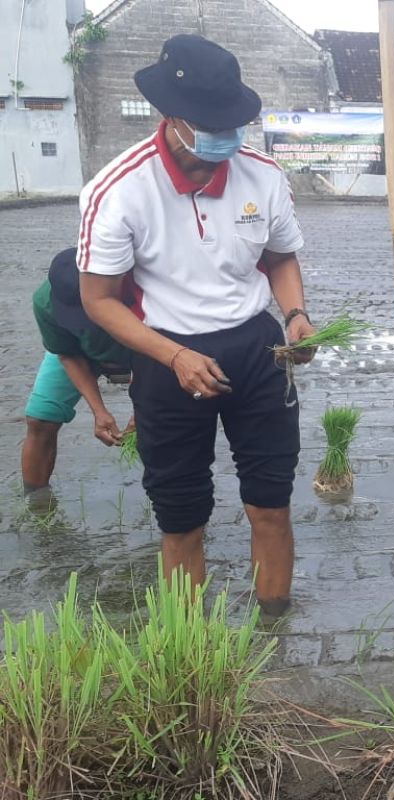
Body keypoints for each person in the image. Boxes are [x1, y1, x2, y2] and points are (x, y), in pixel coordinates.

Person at [77, 34, 316, 616]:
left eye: (231, 123)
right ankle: (192, 655)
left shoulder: (262, 176)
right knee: (182, 517)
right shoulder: (118, 190)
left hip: (257, 351)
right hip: (167, 358)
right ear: (172, 118)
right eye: (210, 124)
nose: (225, 139)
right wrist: (174, 356)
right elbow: (99, 300)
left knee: (270, 503)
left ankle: (273, 635)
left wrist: (296, 315)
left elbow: (280, 256)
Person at [22, 247, 134, 507]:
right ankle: (37, 506)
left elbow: (155, 349)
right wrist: (99, 411)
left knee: (167, 421)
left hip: (144, 348)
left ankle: (182, 522)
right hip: (81, 351)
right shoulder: (45, 302)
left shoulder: (136, 289)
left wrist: (143, 405)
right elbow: (67, 354)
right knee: (39, 419)